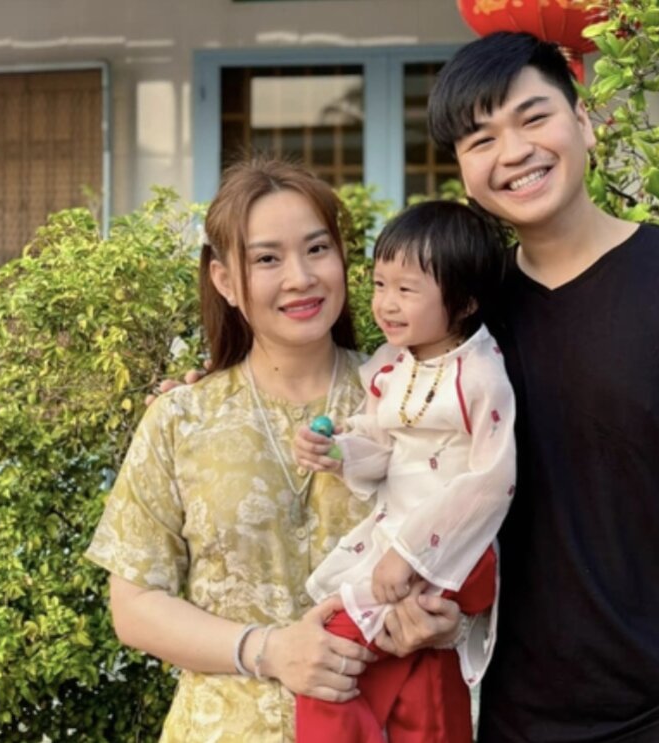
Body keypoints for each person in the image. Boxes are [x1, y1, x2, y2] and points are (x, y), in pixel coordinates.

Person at [418, 31, 659, 743]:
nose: (513, 152)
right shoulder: (466, 317)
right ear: (464, 172)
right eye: (481, 139)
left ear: (584, 121)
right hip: (514, 720)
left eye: (533, 117)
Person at [85, 158, 465, 742]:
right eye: (267, 259)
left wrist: (446, 622)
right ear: (224, 280)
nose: (300, 277)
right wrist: (266, 649)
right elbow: (133, 604)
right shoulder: (181, 419)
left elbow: (474, 548)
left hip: (384, 724)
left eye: (317, 249)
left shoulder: (419, 401)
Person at [292, 200, 516, 742]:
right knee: (416, 685)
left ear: (464, 301)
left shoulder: (481, 375)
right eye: (379, 285)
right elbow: (380, 445)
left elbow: (493, 481)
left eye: (406, 290)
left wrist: (411, 552)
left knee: (335, 653)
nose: (385, 304)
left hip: (450, 548)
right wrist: (339, 453)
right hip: (399, 539)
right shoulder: (394, 366)